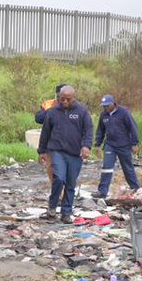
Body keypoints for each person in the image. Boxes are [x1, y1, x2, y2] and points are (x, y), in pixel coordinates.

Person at [37, 85, 93, 223]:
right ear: (59, 97)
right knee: (59, 178)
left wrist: (86, 146)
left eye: (68, 99)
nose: (65, 102)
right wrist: (42, 151)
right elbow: (45, 132)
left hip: (75, 153)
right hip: (57, 151)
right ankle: (52, 207)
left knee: (70, 183)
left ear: (73, 98)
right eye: (62, 99)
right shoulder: (53, 112)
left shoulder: (82, 111)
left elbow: (88, 130)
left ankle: (66, 213)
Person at [94, 94, 140, 199]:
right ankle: (102, 192)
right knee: (107, 167)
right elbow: (100, 130)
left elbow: (133, 128)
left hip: (124, 145)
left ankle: (135, 188)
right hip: (110, 145)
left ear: (113, 104)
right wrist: (97, 144)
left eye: (107, 105)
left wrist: (134, 143)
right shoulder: (103, 115)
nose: (105, 108)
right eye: (103, 106)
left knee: (127, 167)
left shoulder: (124, 113)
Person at [34, 85, 64, 186]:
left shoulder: (72, 104)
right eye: (60, 95)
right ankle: (56, 190)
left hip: (68, 141)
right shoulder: (48, 104)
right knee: (50, 166)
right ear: (56, 95)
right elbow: (38, 118)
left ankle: (65, 190)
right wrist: (53, 109)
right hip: (50, 140)